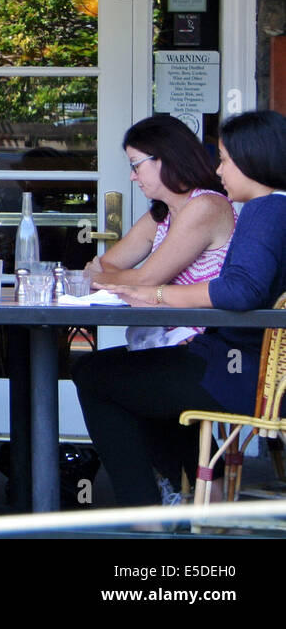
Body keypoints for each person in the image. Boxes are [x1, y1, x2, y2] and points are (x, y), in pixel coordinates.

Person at [74, 110, 286, 509]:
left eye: (225, 159)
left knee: (101, 376)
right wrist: (147, 289)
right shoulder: (271, 209)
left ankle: (145, 510)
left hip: (242, 373)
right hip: (243, 364)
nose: (218, 169)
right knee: (109, 372)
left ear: (253, 160)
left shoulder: (267, 210)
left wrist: (157, 295)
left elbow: (240, 291)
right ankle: (181, 494)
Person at [84, 115, 235, 350]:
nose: (132, 176)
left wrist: (94, 278)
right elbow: (110, 264)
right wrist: (126, 283)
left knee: (96, 372)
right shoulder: (163, 214)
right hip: (167, 339)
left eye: (136, 165)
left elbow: (146, 279)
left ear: (165, 158)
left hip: (206, 345)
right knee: (91, 369)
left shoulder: (206, 206)